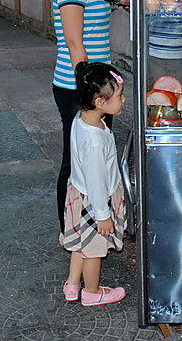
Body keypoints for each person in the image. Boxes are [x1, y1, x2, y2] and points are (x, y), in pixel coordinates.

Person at [52, 0, 117, 230]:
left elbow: (93, 17)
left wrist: (119, 2)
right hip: (79, 88)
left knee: (95, 158)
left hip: (97, 86)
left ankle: (93, 218)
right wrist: (92, 92)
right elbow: (75, 42)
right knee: (76, 160)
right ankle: (71, 227)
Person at [60, 61, 127, 307]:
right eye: (119, 95)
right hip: (94, 201)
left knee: (80, 243)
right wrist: (103, 214)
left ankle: (72, 284)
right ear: (100, 102)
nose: (123, 100)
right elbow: (97, 180)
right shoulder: (96, 140)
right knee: (94, 250)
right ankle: (92, 291)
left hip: (78, 193)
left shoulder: (82, 118)